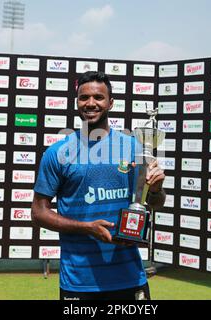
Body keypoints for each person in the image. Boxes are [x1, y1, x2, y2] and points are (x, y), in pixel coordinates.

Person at [31, 71, 166, 300]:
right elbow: (38, 212)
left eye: (98, 97)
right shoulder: (58, 153)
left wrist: (155, 189)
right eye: (84, 98)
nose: (90, 103)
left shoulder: (134, 147)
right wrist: (86, 227)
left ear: (110, 102)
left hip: (130, 278)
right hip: (78, 282)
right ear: (77, 102)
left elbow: (155, 203)